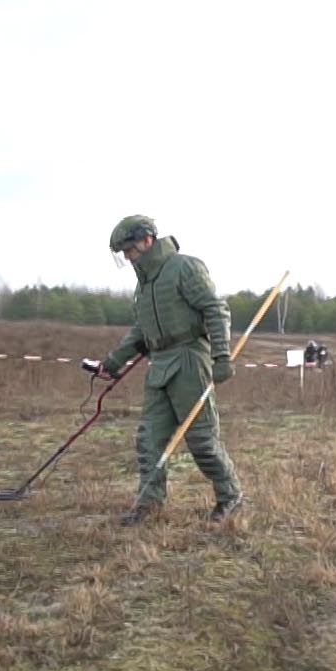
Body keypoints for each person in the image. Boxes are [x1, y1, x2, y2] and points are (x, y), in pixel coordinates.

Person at [96, 215, 244, 525]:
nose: (127, 256)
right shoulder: (144, 283)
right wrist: (112, 361)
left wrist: (221, 356)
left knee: (202, 439)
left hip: (190, 361)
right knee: (149, 438)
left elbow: (215, 310)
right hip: (159, 365)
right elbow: (141, 330)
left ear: (146, 240)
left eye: (129, 249)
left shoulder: (184, 267)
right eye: (122, 252)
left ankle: (230, 496)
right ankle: (149, 504)